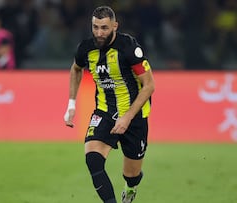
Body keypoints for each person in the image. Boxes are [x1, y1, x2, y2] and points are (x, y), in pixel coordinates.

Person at [64, 6, 155, 203]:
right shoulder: (86, 48)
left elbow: (149, 86)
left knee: (131, 175)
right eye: (95, 27)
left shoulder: (129, 48)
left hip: (134, 115)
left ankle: (130, 189)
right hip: (104, 112)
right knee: (93, 159)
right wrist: (71, 104)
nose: (99, 33)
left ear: (115, 26)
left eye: (104, 28)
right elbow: (76, 69)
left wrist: (127, 117)